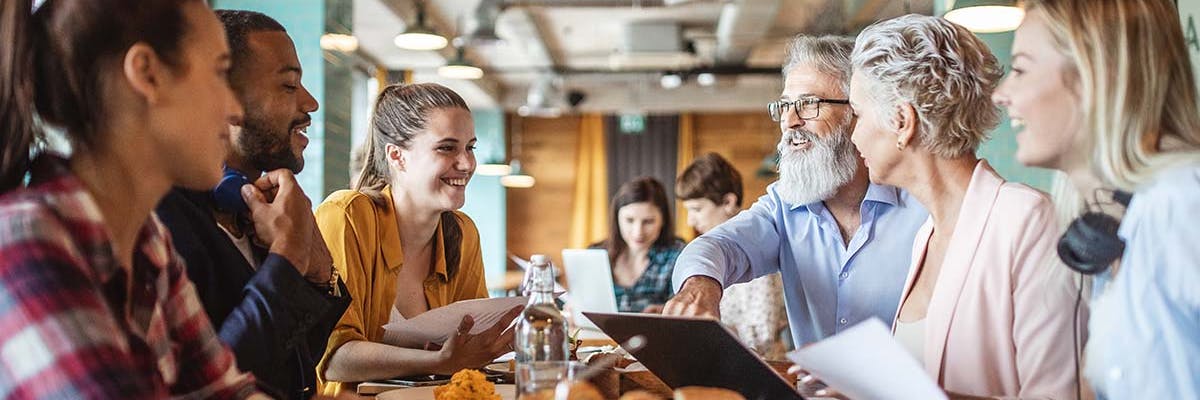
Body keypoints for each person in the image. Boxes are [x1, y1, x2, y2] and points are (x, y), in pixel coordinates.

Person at [0, 0, 262, 397]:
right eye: (219, 72)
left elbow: (227, 393)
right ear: (147, 74)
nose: (235, 109)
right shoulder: (23, 241)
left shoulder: (149, 240)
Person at [845, 14, 1078, 398]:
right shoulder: (925, 235)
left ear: (902, 121)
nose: (853, 135)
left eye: (858, 113)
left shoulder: (1028, 220)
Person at [663, 35, 929, 350]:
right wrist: (699, 285)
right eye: (786, 105)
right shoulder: (783, 205)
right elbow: (719, 245)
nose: (790, 121)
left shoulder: (922, 208)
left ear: (857, 112)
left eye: (808, 104)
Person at [993, 0, 1200, 397]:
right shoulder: (1113, 226)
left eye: (1019, 68)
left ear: (1095, 76)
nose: (1001, 94)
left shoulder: (1181, 205)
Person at [153, 10, 349, 399]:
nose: (310, 104)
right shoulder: (163, 219)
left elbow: (292, 366)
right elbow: (219, 382)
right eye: (289, 86)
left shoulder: (260, 207)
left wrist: (320, 275)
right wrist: (288, 257)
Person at [315, 83, 517, 395]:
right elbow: (333, 359)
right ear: (397, 156)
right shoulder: (346, 216)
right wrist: (438, 360)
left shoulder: (463, 233)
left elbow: (470, 348)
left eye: (470, 147)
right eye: (447, 147)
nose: (466, 163)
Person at [676, 153, 789, 359]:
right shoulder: (710, 256)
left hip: (763, 370)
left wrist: (709, 329)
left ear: (728, 202)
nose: (691, 221)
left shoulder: (757, 251)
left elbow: (761, 338)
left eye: (697, 209)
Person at [591, 177, 685, 313]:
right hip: (595, 334)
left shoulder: (678, 256)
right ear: (617, 218)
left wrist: (665, 311)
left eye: (648, 221)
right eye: (629, 220)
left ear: (663, 220)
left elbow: (684, 310)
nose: (638, 232)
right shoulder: (595, 254)